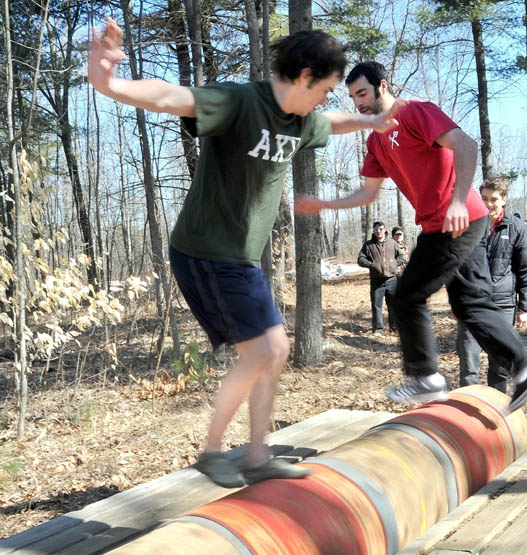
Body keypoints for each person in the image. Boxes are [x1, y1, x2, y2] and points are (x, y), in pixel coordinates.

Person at [88, 19, 404, 487]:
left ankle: (257, 454)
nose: (327, 99)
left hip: (240, 258)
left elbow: (332, 123)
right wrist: (107, 81)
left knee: (271, 353)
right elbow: (170, 96)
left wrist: (372, 121)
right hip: (204, 249)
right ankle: (213, 451)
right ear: (303, 77)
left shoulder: (300, 118)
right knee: (269, 349)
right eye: (327, 88)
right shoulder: (239, 101)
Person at [295, 61, 527, 412]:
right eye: (353, 98)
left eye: (363, 94)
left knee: (407, 296)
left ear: (383, 86)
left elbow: (466, 145)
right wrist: (324, 202)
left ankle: (425, 377)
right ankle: (526, 367)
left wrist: (458, 200)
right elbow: (366, 194)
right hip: (447, 224)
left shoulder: (415, 112)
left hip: (456, 219)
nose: (358, 104)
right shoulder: (376, 140)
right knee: (470, 304)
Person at [456, 178, 527, 393]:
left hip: (502, 305)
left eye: (494, 199)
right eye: (484, 199)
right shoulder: (467, 225)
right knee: (468, 364)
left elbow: (525, 269)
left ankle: (496, 409)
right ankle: (469, 412)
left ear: (504, 199)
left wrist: (524, 308)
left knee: (500, 364)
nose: (489, 204)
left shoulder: (517, 227)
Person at [358, 221, 406, 334]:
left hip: (391, 280)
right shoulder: (368, 245)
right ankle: (378, 329)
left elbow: (401, 256)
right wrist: (372, 265)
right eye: (376, 230)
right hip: (376, 281)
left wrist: (394, 263)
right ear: (373, 232)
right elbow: (360, 259)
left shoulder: (392, 243)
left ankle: (394, 328)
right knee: (376, 306)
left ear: (385, 230)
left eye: (380, 229)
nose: (378, 231)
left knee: (393, 305)